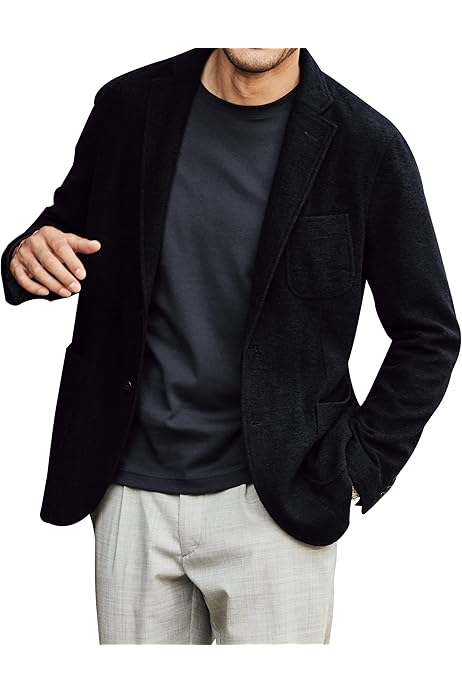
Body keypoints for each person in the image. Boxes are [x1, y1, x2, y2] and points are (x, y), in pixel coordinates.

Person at [1, 48, 460, 644]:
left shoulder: (365, 143)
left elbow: (428, 333)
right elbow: (63, 231)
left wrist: (356, 468)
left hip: (279, 500)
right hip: (130, 492)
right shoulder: (129, 107)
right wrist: (24, 256)